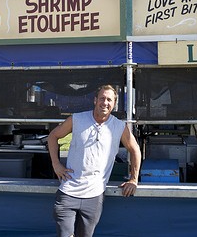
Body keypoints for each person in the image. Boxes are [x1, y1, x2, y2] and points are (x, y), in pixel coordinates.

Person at [47, 84, 142, 237]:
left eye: (109, 100)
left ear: (114, 104)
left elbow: (135, 150)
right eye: (102, 98)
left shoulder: (118, 126)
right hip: (68, 192)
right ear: (95, 100)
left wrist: (134, 179)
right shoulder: (77, 119)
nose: (105, 103)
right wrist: (56, 164)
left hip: (94, 197)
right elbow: (53, 136)